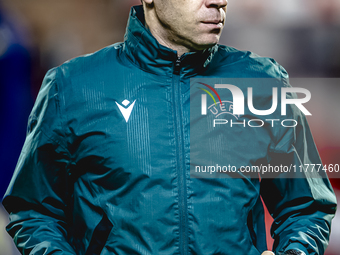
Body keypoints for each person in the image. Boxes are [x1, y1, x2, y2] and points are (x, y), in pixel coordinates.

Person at [2, 1, 337, 255]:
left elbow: (306, 206)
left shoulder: (260, 82)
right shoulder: (74, 86)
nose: (217, 1)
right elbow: (33, 209)